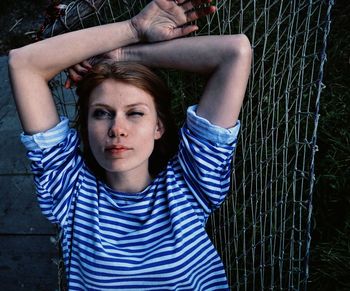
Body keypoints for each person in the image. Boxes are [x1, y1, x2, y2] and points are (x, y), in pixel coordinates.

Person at [8, 0, 252, 289]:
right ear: (86, 126)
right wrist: (133, 27)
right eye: (101, 113)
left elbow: (235, 52)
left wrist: (124, 54)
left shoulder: (190, 185)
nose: (117, 130)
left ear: (158, 127)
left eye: (135, 113)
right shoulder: (70, 192)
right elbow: (23, 64)